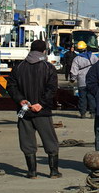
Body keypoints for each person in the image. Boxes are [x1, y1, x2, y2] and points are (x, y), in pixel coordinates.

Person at [6, 39, 61, 178]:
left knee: (27, 142)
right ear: (44, 51)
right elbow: (51, 89)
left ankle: (32, 172)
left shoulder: (18, 67)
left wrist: (20, 100)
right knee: (50, 141)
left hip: (24, 110)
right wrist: (41, 104)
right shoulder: (49, 67)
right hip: (43, 112)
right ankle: (54, 171)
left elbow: (11, 86)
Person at [69, 40, 98, 118]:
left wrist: (72, 79)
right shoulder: (93, 56)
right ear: (86, 48)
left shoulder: (77, 59)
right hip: (92, 81)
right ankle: (93, 113)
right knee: (92, 97)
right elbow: (98, 67)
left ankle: (83, 113)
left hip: (82, 81)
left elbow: (74, 71)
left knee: (82, 98)